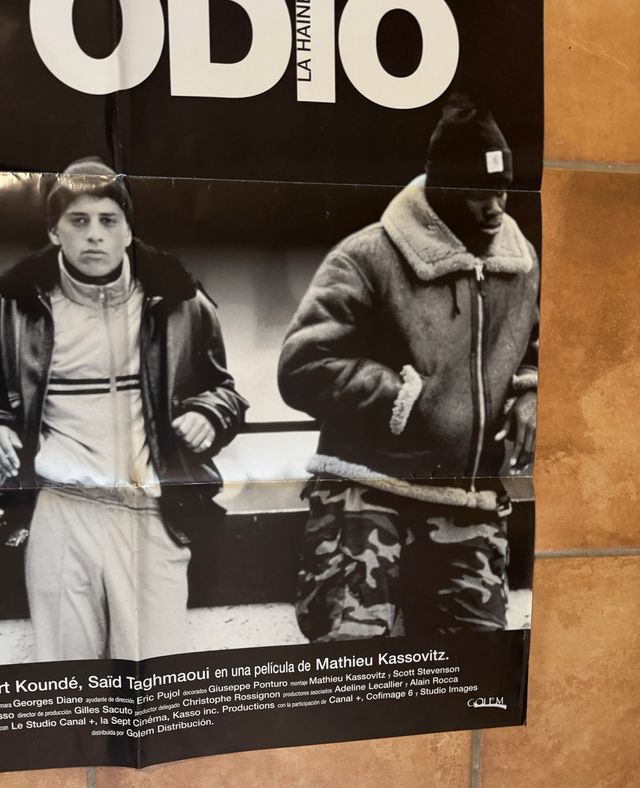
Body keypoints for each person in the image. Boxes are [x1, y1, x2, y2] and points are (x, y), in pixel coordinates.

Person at [278, 97, 538, 642]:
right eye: (476, 192)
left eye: (502, 190)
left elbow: (536, 345)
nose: (494, 207)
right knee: (350, 670)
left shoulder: (519, 266)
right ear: (442, 190)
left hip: (465, 499)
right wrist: (403, 398)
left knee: (478, 674)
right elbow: (303, 364)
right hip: (365, 491)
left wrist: (532, 392)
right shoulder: (367, 256)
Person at [0, 157, 247, 660]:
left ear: (128, 229)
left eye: (108, 221)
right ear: (54, 232)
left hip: (152, 512)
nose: (95, 236)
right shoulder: (15, 306)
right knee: (68, 688)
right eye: (79, 220)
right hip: (60, 510)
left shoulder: (180, 300)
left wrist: (208, 413)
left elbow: (226, 391)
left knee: (154, 679)